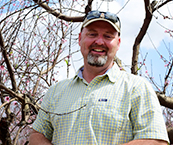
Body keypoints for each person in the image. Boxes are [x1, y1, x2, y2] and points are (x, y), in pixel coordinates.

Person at [29, 10, 169, 145]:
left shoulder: (137, 88)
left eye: (108, 36)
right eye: (92, 34)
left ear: (118, 43)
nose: (99, 41)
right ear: (80, 39)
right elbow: (37, 135)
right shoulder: (56, 91)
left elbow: (156, 141)